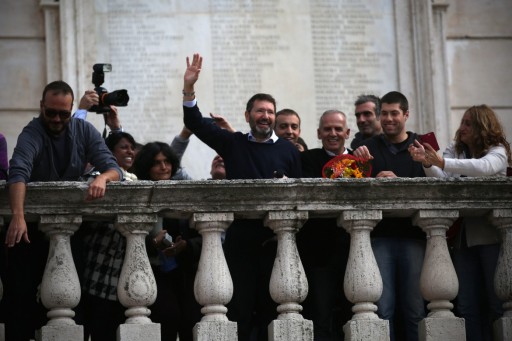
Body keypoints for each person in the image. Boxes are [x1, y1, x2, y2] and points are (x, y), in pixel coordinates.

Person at [182, 53, 301, 341]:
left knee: (275, 314)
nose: (266, 116)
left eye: (270, 112)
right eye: (260, 111)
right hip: (240, 242)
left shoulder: (288, 151)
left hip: (277, 242)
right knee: (241, 312)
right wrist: (189, 88)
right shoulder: (232, 143)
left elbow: (300, 196)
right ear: (247, 116)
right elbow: (195, 122)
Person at [4, 80, 122, 341]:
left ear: (71, 110)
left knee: (72, 298)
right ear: (41, 107)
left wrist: (102, 178)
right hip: (30, 229)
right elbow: (18, 172)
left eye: (64, 114)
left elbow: (115, 168)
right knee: (20, 298)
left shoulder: (84, 129)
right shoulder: (32, 131)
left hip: (70, 228)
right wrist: (19, 216)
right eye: (51, 113)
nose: (57, 119)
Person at [408, 104, 511, 341]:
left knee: (498, 302)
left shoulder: (497, 150)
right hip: (462, 237)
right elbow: (443, 178)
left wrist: (442, 163)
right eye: (462, 122)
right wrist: (427, 162)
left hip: (491, 236)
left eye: (468, 123)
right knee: (467, 304)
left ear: (482, 127)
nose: (462, 127)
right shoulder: (456, 150)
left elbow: (486, 168)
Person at [353, 91, 426, 341]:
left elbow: (438, 186)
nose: (388, 118)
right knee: (383, 310)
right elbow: (352, 192)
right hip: (379, 236)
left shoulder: (423, 145)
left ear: (406, 114)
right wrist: (361, 168)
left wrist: (400, 183)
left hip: (415, 236)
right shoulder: (367, 148)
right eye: (383, 113)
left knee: (416, 309)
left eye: (394, 113)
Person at [132, 141, 202, 341]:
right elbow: (129, 239)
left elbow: (204, 237)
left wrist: (185, 246)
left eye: (167, 162)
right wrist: (154, 244)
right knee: (167, 319)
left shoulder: (185, 193)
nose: (163, 167)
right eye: (156, 163)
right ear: (147, 167)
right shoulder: (137, 194)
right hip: (154, 272)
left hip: (186, 270)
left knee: (191, 320)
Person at [75, 131, 138, 341]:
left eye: (132, 147)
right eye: (123, 147)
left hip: (120, 276)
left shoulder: (133, 178)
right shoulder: (96, 177)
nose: (130, 151)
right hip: (96, 272)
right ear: (109, 153)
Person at [298, 109, 353, 340]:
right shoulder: (307, 159)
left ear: (347, 133)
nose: (333, 133)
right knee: (321, 317)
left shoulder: (365, 159)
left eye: (338, 129)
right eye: (327, 129)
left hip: (355, 250)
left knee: (354, 317)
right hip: (319, 253)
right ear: (318, 133)